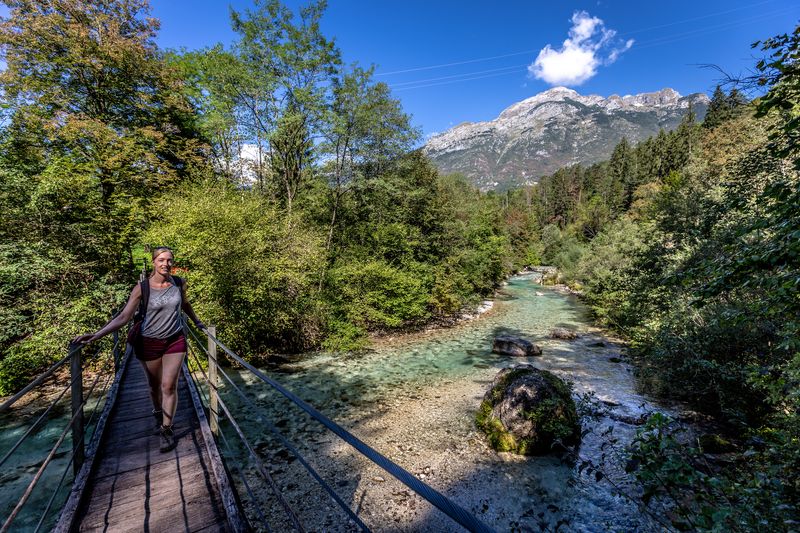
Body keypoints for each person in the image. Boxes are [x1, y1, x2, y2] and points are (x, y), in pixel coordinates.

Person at [72, 246, 205, 453]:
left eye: (169, 260)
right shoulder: (142, 288)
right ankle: (157, 410)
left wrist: (197, 322)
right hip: (149, 341)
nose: (166, 264)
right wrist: (97, 334)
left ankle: (166, 429)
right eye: (161, 260)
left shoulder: (179, 283)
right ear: (153, 262)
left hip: (175, 339)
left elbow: (185, 305)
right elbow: (124, 317)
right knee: (154, 386)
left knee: (169, 386)